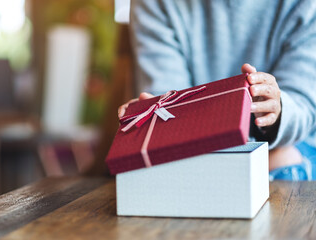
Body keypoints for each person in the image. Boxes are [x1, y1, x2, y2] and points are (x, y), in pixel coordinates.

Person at [118, 0, 316, 180]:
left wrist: (275, 113)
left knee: (279, 159)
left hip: (293, 141)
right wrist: (155, 118)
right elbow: (167, 102)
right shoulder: (156, 4)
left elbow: (304, 105)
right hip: (196, 148)